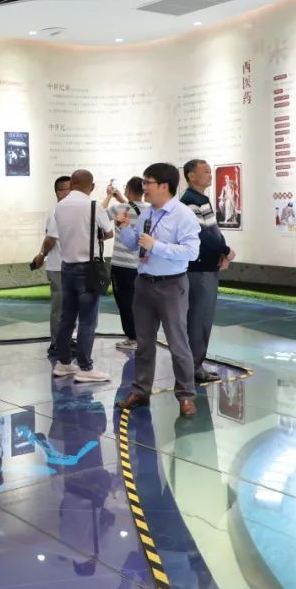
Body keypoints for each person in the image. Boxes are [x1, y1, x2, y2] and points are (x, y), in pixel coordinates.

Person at [115, 162, 201, 417]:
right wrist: (125, 228)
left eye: (148, 182)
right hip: (144, 284)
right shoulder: (147, 213)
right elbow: (135, 245)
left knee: (178, 343)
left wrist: (157, 246)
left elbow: (191, 252)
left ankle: (186, 396)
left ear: (164, 186)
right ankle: (141, 391)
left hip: (172, 285)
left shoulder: (183, 215)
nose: (144, 187)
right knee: (143, 343)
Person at [50, 170, 114, 383]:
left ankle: (63, 363)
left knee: (67, 318)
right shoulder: (93, 206)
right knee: (87, 321)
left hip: (66, 267)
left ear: (71, 184)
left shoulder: (60, 206)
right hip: (88, 269)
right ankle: (85, 367)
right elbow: (109, 232)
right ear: (92, 186)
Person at [180, 159, 235, 384]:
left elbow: (212, 231)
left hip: (206, 267)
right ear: (191, 176)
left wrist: (222, 250)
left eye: (210, 171)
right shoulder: (190, 201)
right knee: (199, 318)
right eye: (205, 171)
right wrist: (225, 250)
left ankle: (194, 364)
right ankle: (193, 367)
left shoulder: (200, 199)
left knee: (200, 318)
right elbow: (200, 235)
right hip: (199, 269)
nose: (210, 175)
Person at [104, 177, 147, 351]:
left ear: (128, 190)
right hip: (140, 266)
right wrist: (122, 198)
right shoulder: (149, 209)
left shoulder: (119, 208)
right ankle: (142, 336)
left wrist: (109, 195)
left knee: (125, 303)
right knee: (139, 303)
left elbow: (99, 214)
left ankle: (132, 338)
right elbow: (132, 207)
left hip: (121, 266)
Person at [32, 175, 71, 358]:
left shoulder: (68, 210)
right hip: (58, 267)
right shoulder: (57, 212)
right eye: (69, 189)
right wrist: (42, 254)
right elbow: (50, 239)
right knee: (60, 308)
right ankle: (56, 343)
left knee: (68, 308)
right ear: (59, 192)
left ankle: (67, 339)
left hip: (68, 266)